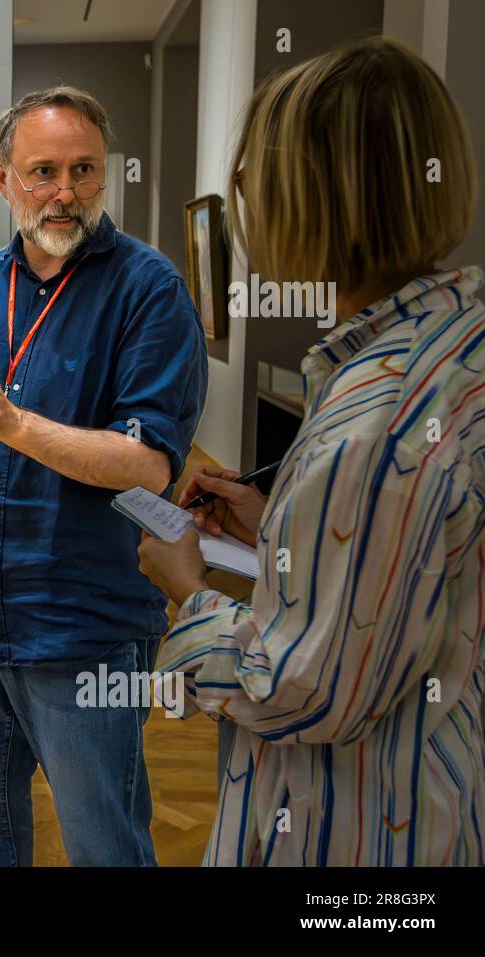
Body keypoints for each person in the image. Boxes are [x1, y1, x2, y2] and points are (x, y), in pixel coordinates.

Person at [138, 37, 484, 866]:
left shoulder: (379, 419)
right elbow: (408, 577)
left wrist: (187, 590)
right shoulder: (453, 348)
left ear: (312, 197)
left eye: (257, 183)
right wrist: (281, 530)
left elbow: (303, 688)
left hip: (352, 837)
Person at [0, 87, 208, 865]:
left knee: (107, 849)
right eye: (43, 172)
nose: (65, 192)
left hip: (83, 633)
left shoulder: (149, 290)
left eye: (84, 171)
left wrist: (16, 429)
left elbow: (149, 462)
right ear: (4, 179)